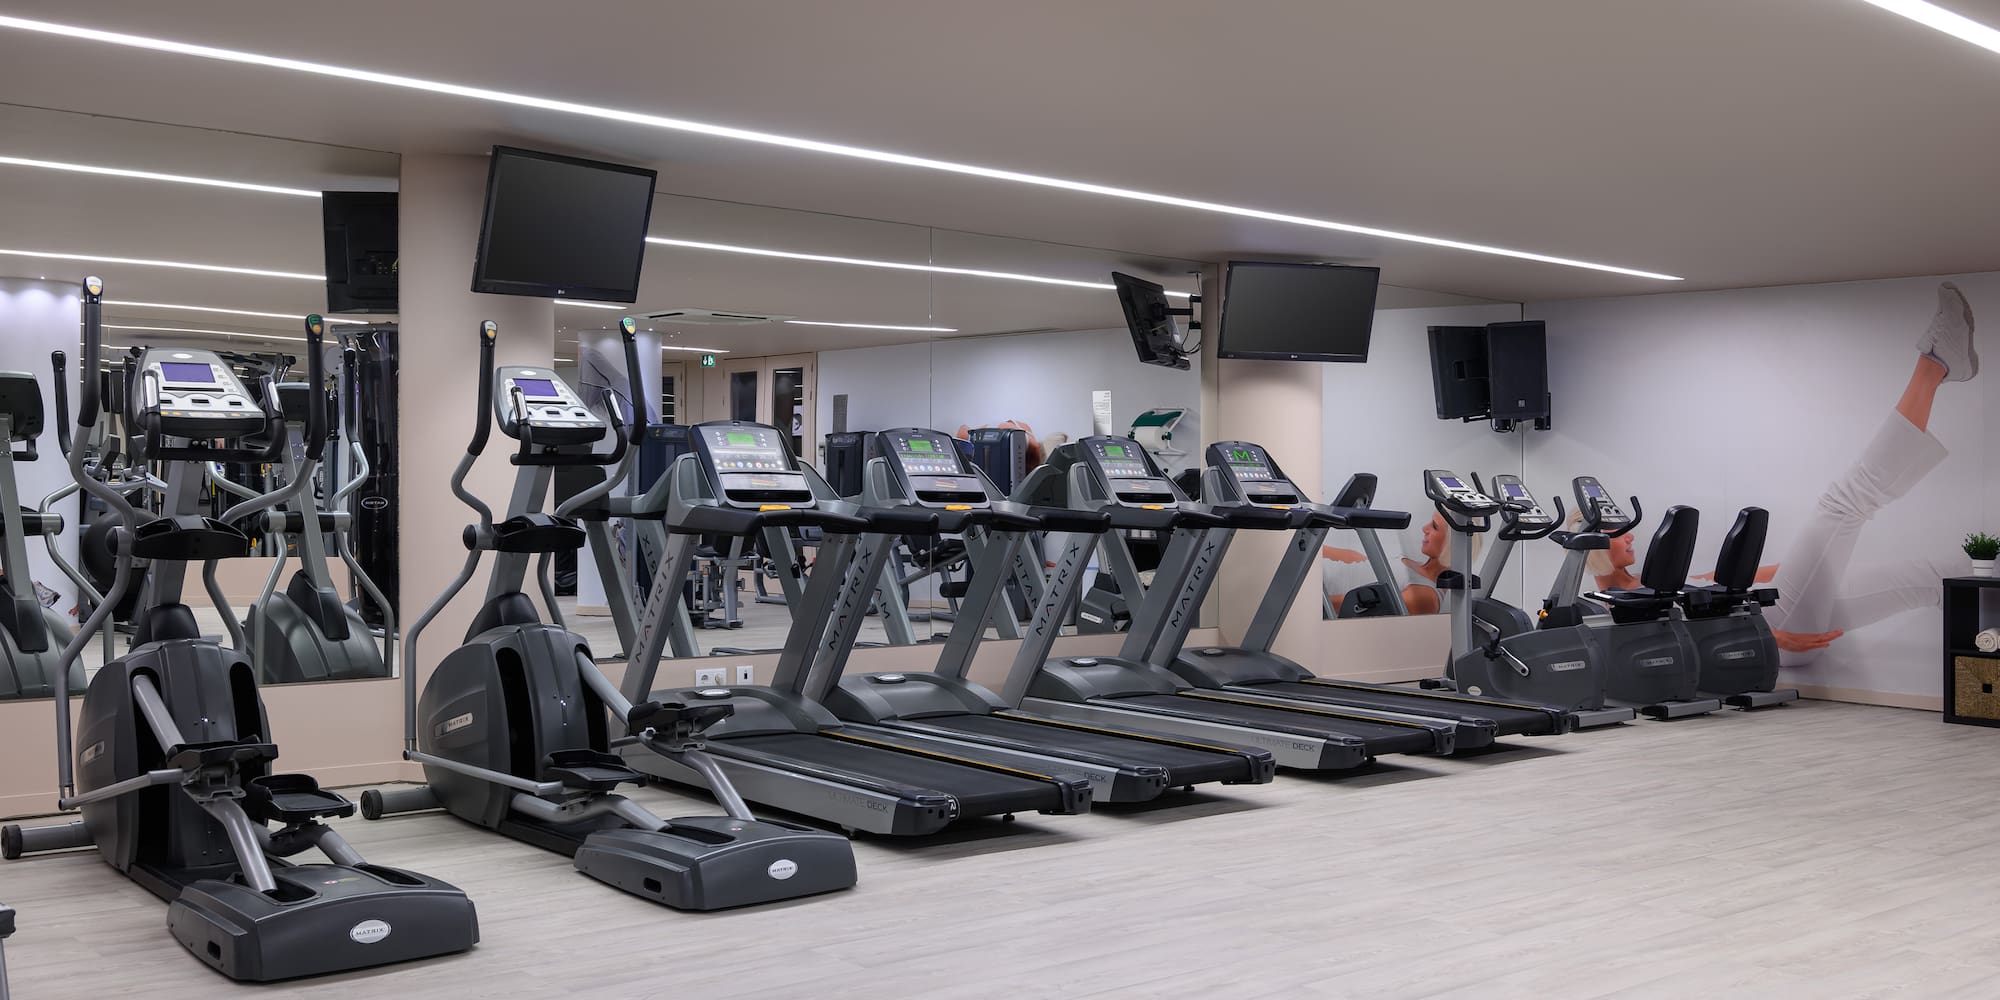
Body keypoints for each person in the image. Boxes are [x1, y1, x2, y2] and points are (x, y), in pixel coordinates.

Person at [1581, 282, 1976, 663]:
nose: (1630, 534)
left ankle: (1938, 364)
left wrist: (1817, 567)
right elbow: (1670, 640)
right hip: (1776, 637)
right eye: (1615, 534)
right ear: (1590, 548)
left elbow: (1750, 580)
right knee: (1843, 504)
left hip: (1783, 617)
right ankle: (1933, 364)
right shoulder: (1612, 607)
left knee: (1932, 577)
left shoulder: (1662, 579)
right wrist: (1773, 637)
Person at [1320, 510, 1467, 616]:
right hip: (1321, 570)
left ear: (1451, 541)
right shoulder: (1416, 567)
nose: (1425, 529)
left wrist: (1313, 600)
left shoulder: (1426, 597)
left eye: (1434, 526)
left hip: (1321, 587)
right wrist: (1313, 548)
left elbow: (1356, 607)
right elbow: (1364, 563)